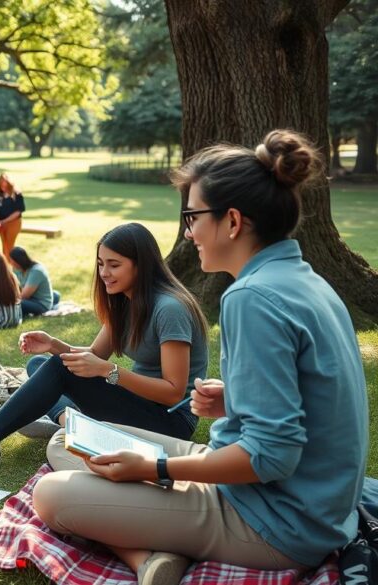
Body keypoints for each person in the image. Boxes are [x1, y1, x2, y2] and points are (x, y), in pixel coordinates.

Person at [30, 131, 368, 584]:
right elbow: (315, 399)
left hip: (277, 519)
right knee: (69, 440)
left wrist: (155, 469)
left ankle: (149, 553)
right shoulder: (306, 280)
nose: (188, 233)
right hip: (278, 490)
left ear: (231, 221)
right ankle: (150, 553)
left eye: (192, 217)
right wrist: (233, 399)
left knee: (51, 496)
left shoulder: (253, 298)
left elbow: (271, 458)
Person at [0, 222, 209, 468]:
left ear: (141, 266)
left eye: (114, 265)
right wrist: (54, 344)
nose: (104, 272)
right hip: (140, 404)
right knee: (40, 364)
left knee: (56, 371)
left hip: (169, 422)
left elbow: (172, 393)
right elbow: (93, 357)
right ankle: (69, 419)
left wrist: (109, 371)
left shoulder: (170, 309)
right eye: (101, 264)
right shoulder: (126, 301)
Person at [8, 246, 57, 316]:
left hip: (41, 304)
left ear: (18, 261)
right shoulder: (17, 269)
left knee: (15, 303)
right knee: (13, 302)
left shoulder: (36, 271)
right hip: (31, 299)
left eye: (11, 261)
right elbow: (13, 287)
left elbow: (24, 296)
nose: (10, 263)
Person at [0, 172, 25, 254]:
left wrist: (5, 221)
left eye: (5, 186)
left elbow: (18, 212)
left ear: (9, 184)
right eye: (1, 186)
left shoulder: (17, 194)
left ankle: (7, 264)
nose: (3, 188)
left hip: (13, 222)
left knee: (7, 247)